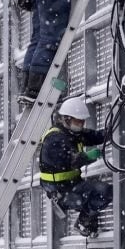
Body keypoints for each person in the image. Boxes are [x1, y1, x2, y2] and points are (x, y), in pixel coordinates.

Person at [38, 97, 112, 237]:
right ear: (66, 119)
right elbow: (68, 160)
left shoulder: (73, 133)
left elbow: (95, 136)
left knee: (99, 193)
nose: (81, 124)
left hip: (71, 186)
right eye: (78, 121)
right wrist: (87, 156)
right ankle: (84, 222)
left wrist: (113, 129)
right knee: (104, 191)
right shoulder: (55, 138)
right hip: (61, 192)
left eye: (82, 121)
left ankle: (88, 224)